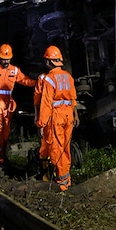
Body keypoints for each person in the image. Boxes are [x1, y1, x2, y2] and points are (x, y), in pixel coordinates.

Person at [0, 43, 36, 166]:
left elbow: (25, 80)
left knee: (6, 131)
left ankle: (4, 156)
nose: (6, 61)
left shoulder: (14, 70)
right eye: (4, 59)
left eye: (8, 59)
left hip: (8, 104)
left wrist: (39, 82)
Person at [35, 45, 79, 191]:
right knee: (66, 147)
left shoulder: (49, 79)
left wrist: (41, 123)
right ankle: (67, 179)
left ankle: (61, 183)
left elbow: (46, 103)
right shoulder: (68, 77)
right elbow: (73, 99)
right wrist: (75, 114)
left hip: (57, 117)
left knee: (57, 149)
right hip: (68, 116)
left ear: (49, 62)